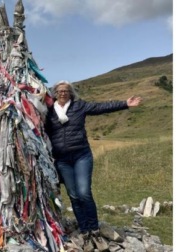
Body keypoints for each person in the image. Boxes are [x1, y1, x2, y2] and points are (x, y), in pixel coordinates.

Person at [45, 80, 142, 251]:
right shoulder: (49, 112)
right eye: (59, 91)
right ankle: (84, 230)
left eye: (66, 90)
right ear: (55, 93)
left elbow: (101, 107)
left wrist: (125, 104)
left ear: (71, 93)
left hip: (81, 155)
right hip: (62, 160)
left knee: (84, 192)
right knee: (73, 195)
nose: (63, 93)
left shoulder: (79, 106)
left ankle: (94, 229)